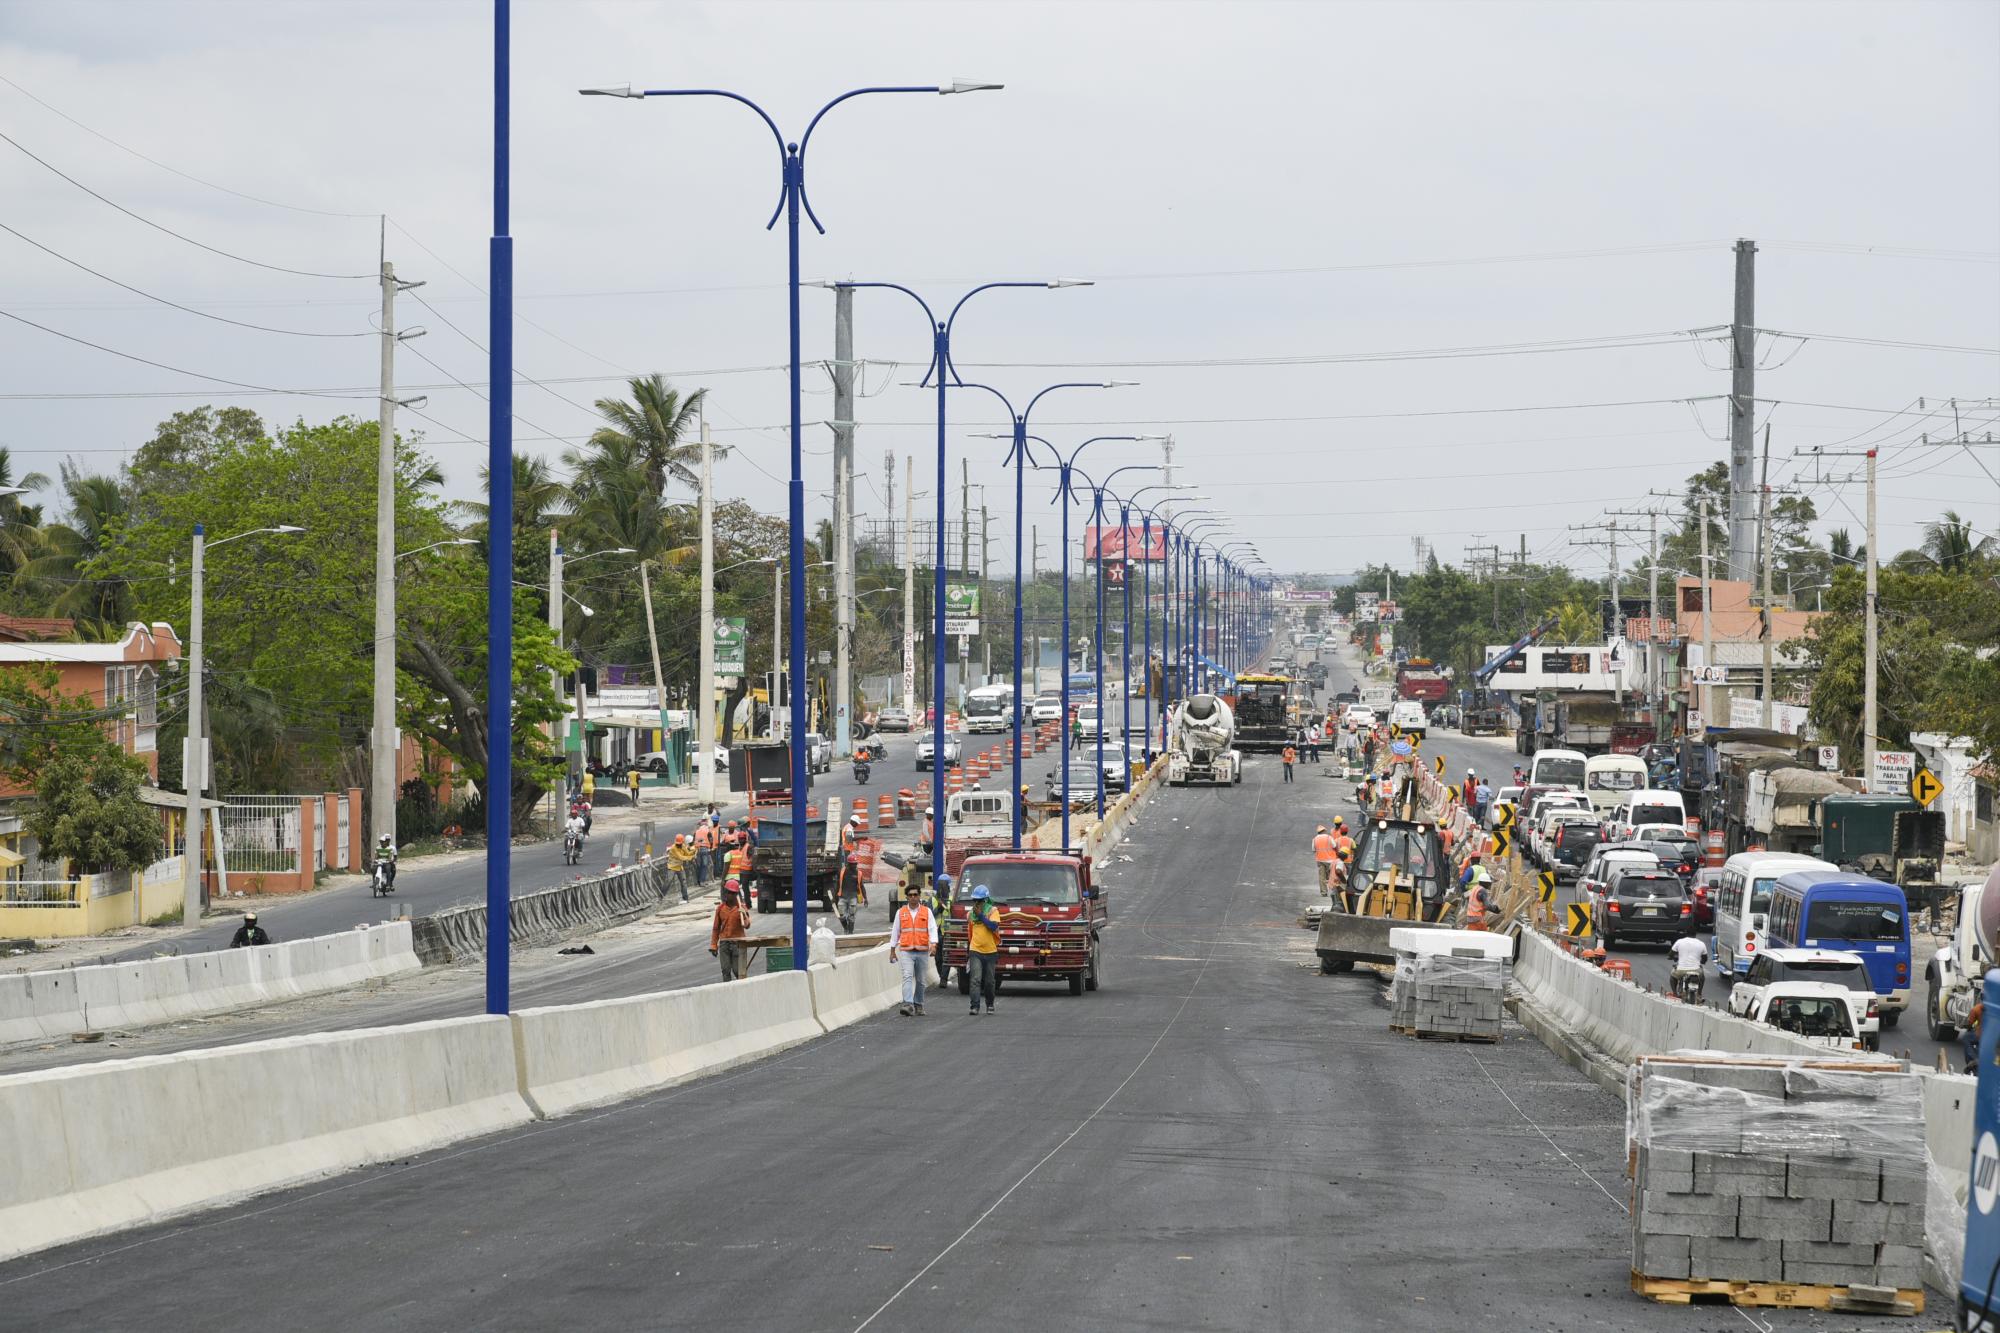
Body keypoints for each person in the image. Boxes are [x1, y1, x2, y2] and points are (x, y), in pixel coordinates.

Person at [891, 882, 938, 1016]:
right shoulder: (900, 913)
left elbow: (932, 929)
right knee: (907, 976)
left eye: (915, 895)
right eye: (910, 895)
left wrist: (933, 945)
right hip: (906, 951)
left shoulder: (926, 911)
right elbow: (895, 932)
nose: (913, 897)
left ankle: (918, 1004)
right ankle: (908, 1004)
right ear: (906, 897)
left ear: (919, 896)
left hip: (922, 951)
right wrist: (892, 950)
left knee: (921, 980)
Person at [964, 883, 1000, 1015]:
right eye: (975, 900)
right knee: (975, 979)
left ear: (985, 900)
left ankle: (990, 1004)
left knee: (989, 981)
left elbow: (993, 926)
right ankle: (974, 1006)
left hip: (991, 951)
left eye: (979, 900)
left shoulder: (993, 911)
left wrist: (981, 916)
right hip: (975, 950)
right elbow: (970, 932)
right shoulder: (970, 914)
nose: (976, 903)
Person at [709, 880, 751, 981]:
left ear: (736, 894)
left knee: (738, 971)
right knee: (725, 970)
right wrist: (714, 945)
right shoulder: (720, 908)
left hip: (738, 944)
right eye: (728, 892)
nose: (729, 895)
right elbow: (716, 928)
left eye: (732, 893)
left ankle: (741, 988)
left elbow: (747, 925)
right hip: (724, 943)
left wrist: (744, 915)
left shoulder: (741, 908)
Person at [1669, 928, 1707, 996]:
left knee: (1672, 976)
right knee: (1702, 978)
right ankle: (1699, 994)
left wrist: (1672, 957)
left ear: (1686, 933)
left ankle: (1675, 993)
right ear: (1695, 934)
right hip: (1696, 970)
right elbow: (1705, 958)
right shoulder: (1701, 943)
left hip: (1680, 970)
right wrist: (1702, 962)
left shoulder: (1679, 941)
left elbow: (1671, 954)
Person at [665, 834, 695, 903]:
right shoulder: (673, 848)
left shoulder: (683, 846)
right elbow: (681, 857)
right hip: (672, 867)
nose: (678, 845)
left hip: (679, 867)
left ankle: (685, 898)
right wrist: (691, 858)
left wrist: (693, 851)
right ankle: (661, 896)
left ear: (682, 842)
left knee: (683, 883)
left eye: (679, 844)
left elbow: (687, 853)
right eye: (677, 844)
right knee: (668, 881)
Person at [1313, 824, 1338, 894]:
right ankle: (1334, 891)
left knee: (1322, 877)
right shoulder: (1329, 837)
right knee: (1332, 875)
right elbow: (1334, 846)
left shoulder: (1315, 839)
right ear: (1324, 831)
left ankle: (1324, 892)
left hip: (1320, 860)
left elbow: (1313, 849)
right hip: (1330, 861)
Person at [692, 817, 718, 885]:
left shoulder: (696, 831)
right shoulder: (707, 831)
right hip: (705, 849)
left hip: (697, 850)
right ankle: (702, 881)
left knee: (699, 866)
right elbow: (711, 840)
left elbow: (693, 840)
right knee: (704, 865)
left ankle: (699, 881)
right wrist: (711, 848)